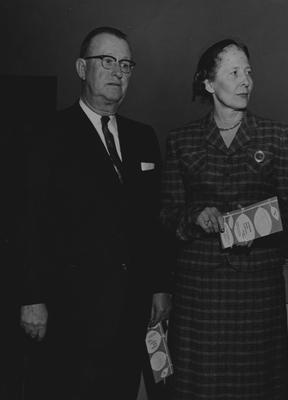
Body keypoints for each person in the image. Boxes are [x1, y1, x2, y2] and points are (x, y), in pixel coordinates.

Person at [19, 26, 173, 400]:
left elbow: (152, 222)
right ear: (80, 68)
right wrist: (30, 297)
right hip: (67, 311)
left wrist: (159, 285)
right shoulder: (46, 133)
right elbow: (26, 221)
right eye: (106, 61)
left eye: (125, 64)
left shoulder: (143, 137)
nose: (118, 71)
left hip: (130, 311)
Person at [160, 38, 288, 399]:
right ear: (209, 83)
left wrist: (252, 226)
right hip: (199, 290)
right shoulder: (181, 141)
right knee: (198, 387)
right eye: (234, 72)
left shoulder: (277, 137)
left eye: (249, 72)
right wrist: (195, 216)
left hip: (256, 288)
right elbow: (167, 214)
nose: (246, 81)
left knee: (254, 387)